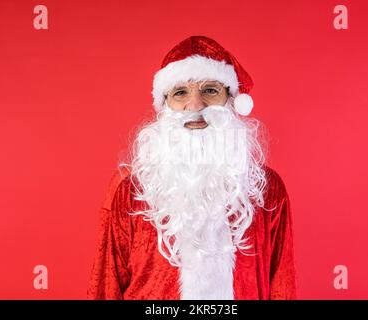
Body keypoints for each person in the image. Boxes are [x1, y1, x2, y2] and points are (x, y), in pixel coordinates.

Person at [87, 35, 297, 300]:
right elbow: (106, 287)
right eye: (180, 93)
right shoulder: (130, 192)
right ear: (164, 106)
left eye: (210, 90)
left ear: (230, 102)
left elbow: (281, 285)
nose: (195, 105)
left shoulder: (267, 189)